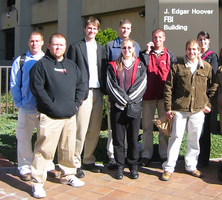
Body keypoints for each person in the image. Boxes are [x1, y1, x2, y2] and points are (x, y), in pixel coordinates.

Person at [29, 33, 86, 198]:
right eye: (55, 44)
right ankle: (37, 183)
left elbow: (81, 85)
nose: (58, 47)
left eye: (61, 45)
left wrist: (76, 103)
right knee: (44, 151)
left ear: (65, 47)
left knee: (68, 149)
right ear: (48, 45)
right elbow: (37, 89)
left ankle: (68, 175)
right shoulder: (41, 66)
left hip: (69, 116)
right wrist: (51, 106)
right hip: (50, 116)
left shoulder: (72, 66)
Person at [161, 39, 218, 181]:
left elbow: (214, 86)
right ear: (185, 50)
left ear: (199, 50)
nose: (191, 52)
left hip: (198, 110)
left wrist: (208, 104)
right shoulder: (177, 66)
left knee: (194, 140)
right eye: (188, 49)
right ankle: (169, 168)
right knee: (175, 138)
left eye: (194, 49)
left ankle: (191, 166)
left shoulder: (206, 67)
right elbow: (168, 88)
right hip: (180, 109)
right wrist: (168, 108)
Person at [10, 31, 58, 182]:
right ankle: (24, 167)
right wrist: (19, 104)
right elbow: (14, 84)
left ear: (43, 42)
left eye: (37, 41)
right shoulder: (20, 61)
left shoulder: (49, 60)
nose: (34, 43)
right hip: (27, 107)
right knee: (24, 138)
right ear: (29, 42)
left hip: (44, 109)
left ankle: (47, 165)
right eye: (32, 41)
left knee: (45, 139)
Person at [67, 16, 106, 178]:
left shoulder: (102, 49)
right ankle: (75, 163)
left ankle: (89, 159)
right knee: (80, 129)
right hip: (83, 94)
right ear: (85, 29)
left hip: (98, 92)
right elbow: (70, 72)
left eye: (95, 28)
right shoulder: (75, 47)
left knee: (94, 129)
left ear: (98, 30)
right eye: (89, 28)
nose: (92, 31)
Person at [106, 39, 147, 179]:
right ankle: (119, 166)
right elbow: (111, 85)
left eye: (129, 47)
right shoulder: (113, 66)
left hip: (134, 108)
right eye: (124, 48)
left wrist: (128, 101)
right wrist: (122, 101)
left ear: (133, 49)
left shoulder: (140, 65)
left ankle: (133, 167)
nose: (127, 50)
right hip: (117, 107)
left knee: (133, 139)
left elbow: (142, 85)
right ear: (120, 49)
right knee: (118, 139)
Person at [105, 19, 141, 169]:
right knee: (115, 131)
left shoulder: (137, 46)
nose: (125, 30)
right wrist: (119, 98)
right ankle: (113, 157)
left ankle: (132, 161)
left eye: (128, 28)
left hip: (132, 101)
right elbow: (107, 72)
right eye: (123, 27)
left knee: (132, 135)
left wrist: (130, 99)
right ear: (118, 28)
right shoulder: (110, 46)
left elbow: (138, 75)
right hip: (116, 98)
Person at [140, 28, 177, 167]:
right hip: (148, 97)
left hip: (163, 98)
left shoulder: (170, 56)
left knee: (164, 128)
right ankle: (146, 154)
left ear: (164, 38)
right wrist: (146, 52)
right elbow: (141, 68)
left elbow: (173, 77)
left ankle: (163, 154)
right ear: (152, 39)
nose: (157, 40)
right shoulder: (145, 54)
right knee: (147, 128)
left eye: (160, 37)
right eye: (155, 37)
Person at [197, 31, 219, 168]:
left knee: (205, 130)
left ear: (209, 41)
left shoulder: (212, 57)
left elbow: (212, 75)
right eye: (200, 39)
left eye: (205, 40)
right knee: (195, 129)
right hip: (194, 98)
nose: (202, 42)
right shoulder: (193, 54)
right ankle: (194, 157)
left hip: (205, 98)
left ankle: (203, 160)